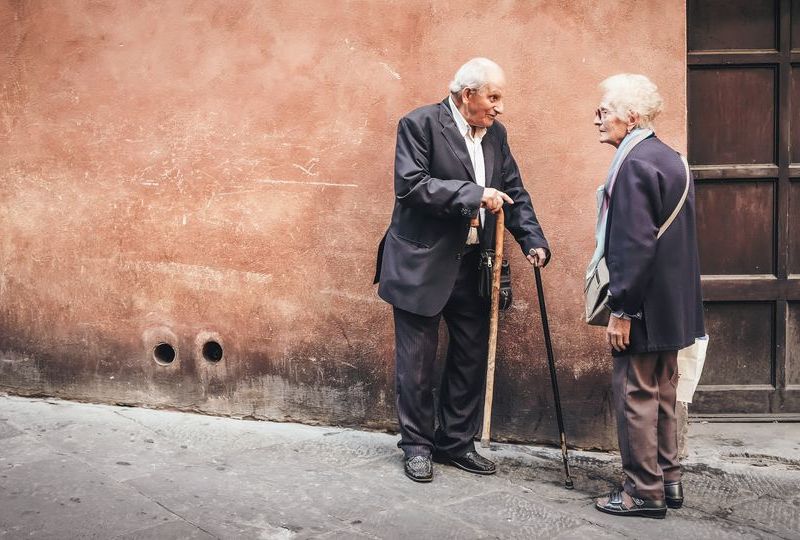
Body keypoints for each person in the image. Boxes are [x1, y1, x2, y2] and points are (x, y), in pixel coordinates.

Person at [373, 57, 550, 483]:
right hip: (422, 264)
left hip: (474, 265)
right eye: (493, 96)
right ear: (467, 94)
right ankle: (417, 446)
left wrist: (533, 240)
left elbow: (513, 191)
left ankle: (455, 442)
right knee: (415, 364)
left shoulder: (497, 135)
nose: (499, 107)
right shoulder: (419, 124)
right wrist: (474, 194)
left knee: (470, 358)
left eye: (499, 98)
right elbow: (412, 186)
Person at [589, 74, 705, 518]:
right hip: (672, 306)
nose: (597, 119)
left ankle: (642, 491)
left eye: (605, 111)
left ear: (631, 116)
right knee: (663, 392)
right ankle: (669, 480)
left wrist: (622, 309)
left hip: (642, 307)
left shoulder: (634, 163)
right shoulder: (672, 157)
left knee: (636, 394)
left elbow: (633, 245)